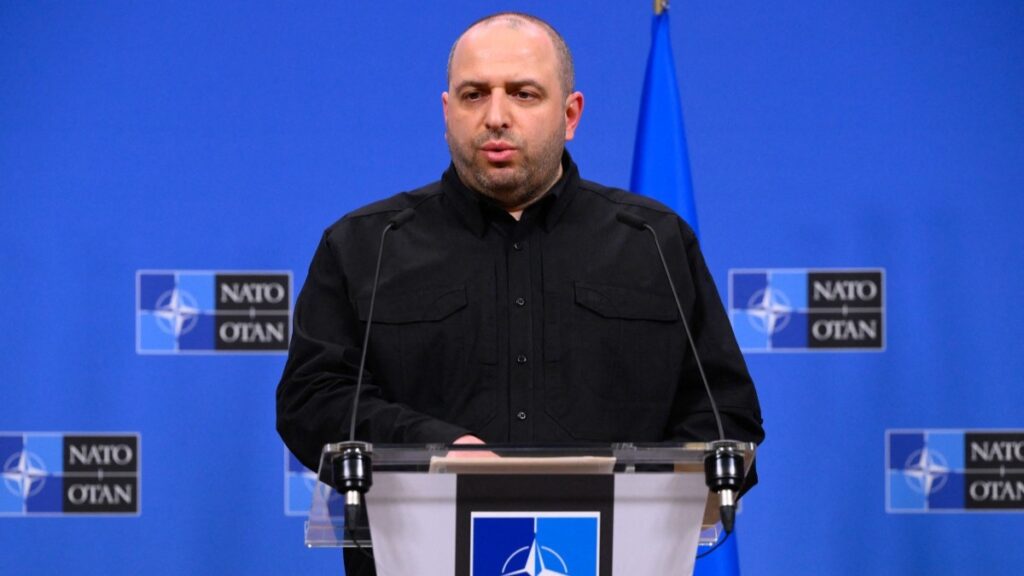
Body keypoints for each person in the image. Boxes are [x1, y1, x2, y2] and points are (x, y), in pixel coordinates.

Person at [277, 12, 763, 574]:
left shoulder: (655, 241)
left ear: (570, 113)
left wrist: (642, 498)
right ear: (446, 112)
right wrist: (436, 451)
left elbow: (727, 415)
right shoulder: (366, 245)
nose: (496, 116)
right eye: (474, 94)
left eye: (524, 94)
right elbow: (311, 400)